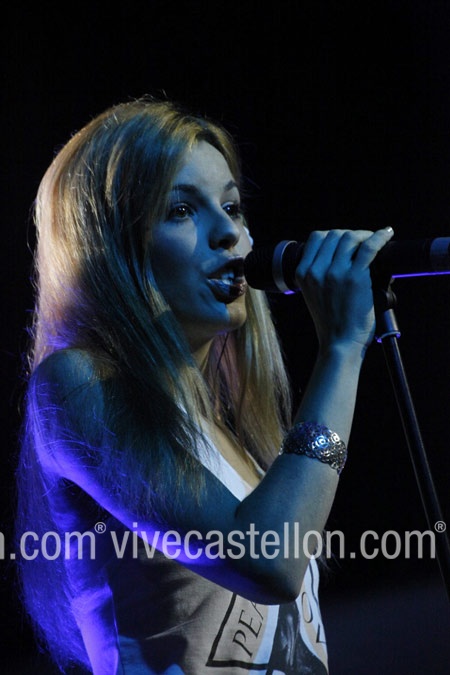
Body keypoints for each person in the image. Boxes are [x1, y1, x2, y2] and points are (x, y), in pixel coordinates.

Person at [15, 96, 394, 674]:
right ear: (111, 246)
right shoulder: (74, 385)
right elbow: (269, 561)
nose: (229, 233)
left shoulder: (234, 435)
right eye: (181, 210)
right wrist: (341, 351)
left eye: (233, 207)